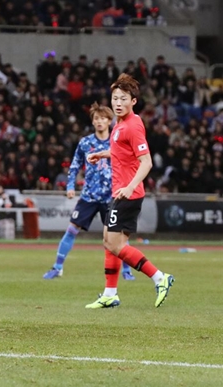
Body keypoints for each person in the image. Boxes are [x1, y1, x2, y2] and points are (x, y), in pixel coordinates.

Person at [85, 73, 174, 309]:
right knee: (109, 241)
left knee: (114, 244)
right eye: (115, 98)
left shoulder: (133, 126)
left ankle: (160, 277)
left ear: (133, 101)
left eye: (123, 98)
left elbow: (146, 162)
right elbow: (122, 152)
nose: (118, 102)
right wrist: (103, 154)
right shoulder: (119, 124)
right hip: (120, 191)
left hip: (127, 194)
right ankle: (110, 294)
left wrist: (129, 186)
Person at [43, 102, 135, 281]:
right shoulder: (86, 143)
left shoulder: (116, 141)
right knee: (71, 229)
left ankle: (127, 271)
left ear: (110, 121)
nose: (99, 122)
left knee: (119, 235)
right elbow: (75, 165)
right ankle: (57, 267)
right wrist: (70, 186)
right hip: (89, 196)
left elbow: (127, 164)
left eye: (103, 118)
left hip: (111, 197)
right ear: (92, 122)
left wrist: (127, 186)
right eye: (96, 118)